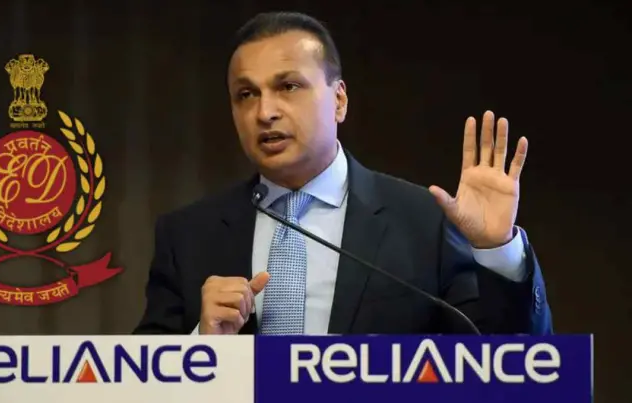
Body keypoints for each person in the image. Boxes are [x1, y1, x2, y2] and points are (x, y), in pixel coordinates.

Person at [133, 11, 552, 335]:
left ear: (339, 100)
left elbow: (509, 364)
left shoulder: (423, 221)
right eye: (246, 94)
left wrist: (497, 251)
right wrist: (200, 343)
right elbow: (136, 381)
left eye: (288, 86)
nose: (265, 112)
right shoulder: (187, 236)